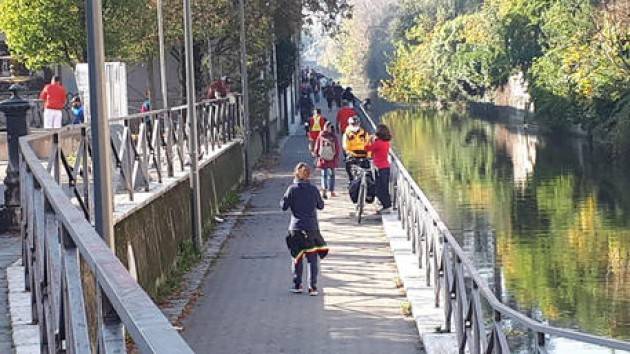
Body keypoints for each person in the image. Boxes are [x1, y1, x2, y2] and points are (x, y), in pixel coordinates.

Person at [281, 163, 328, 296]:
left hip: (295, 229)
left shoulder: (291, 189)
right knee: (312, 259)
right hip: (312, 229)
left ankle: (297, 285)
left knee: (297, 258)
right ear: (309, 175)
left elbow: (283, 206)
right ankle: (312, 287)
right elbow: (321, 206)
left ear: (295, 174)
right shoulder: (313, 189)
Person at [366, 124, 393, 214]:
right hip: (386, 167)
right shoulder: (386, 143)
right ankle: (387, 205)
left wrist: (369, 140)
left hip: (380, 168)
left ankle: (387, 206)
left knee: (379, 189)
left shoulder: (377, 143)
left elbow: (367, 148)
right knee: (384, 188)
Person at [314, 121, 340, 199]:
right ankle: (330, 191)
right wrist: (336, 156)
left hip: (323, 158)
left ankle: (325, 191)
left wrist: (317, 155)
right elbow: (337, 147)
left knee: (324, 175)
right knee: (330, 175)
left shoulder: (321, 135)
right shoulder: (333, 137)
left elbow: (317, 146)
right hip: (331, 158)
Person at [342, 117, 370, 181]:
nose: (355, 125)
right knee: (350, 170)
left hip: (363, 156)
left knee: (368, 174)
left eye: (356, 124)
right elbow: (345, 146)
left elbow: (368, 144)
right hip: (353, 156)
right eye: (353, 124)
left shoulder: (364, 133)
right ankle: (351, 181)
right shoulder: (347, 134)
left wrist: (369, 155)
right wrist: (350, 153)